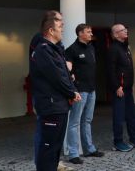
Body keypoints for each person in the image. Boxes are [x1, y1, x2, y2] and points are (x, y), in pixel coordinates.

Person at [30, 11, 81, 171]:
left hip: (59, 106)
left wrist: (71, 91)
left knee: (55, 149)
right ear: (51, 31)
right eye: (59, 25)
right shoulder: (43, 50)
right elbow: (57, 76)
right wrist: (71, 93)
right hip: (51, 106)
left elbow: (65, 74)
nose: (63, 28)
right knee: (48, 149)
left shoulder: (55, 50)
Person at [65, 24, 104, 164]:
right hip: (80, 91)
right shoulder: (71, 50)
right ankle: (73, 154)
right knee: (74, 122)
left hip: (92, 89)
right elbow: (67, 72)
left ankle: (89, 149)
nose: (91, 33)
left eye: (91, 31)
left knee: (87, 120)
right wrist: (73, 90)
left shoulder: (91, 47)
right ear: (80, 34)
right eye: (88, 32)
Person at [107, 24, 135, 152]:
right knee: (119, 117)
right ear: (115, 34)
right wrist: (117, 86)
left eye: (126, 29)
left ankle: (134, 138)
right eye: (122, 30)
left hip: (128, 88)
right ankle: (118, 141)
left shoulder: (126, 47)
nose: (126, 31)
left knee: (131, 115)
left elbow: (128, 69)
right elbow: (110, 70)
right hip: (119, 89)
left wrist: (130, 85)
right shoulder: (113, 49)